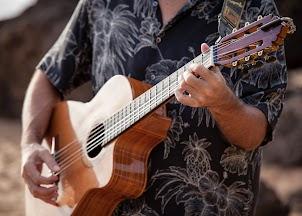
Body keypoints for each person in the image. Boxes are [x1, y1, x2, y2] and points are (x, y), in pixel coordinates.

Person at [21, 0, 287, 215]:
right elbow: (48, 76)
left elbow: (256, 133)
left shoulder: (250, 9)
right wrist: (30, 144)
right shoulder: (100, 3)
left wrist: (224, 104)